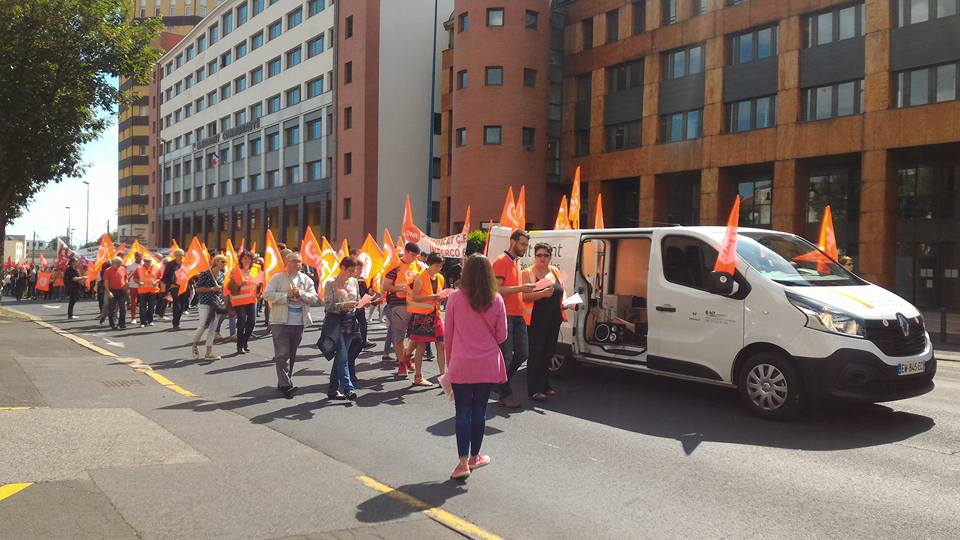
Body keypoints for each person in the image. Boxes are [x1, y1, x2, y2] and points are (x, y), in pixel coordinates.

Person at [443, 254, 508, 480]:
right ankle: (475, 456)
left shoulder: (454, 298)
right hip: (487, 362)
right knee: (480, 410)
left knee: (462, 410)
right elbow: (502, 335)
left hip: (461, 361)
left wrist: (451, 362)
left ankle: (462, 463)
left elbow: (448, 335)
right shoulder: (497, 299)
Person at [492, 229, 536, 408]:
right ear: (513, 242)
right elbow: (496, 290)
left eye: (526, 245)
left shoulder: (516, 262)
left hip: (518, 315)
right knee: (507, 356)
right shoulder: (501, 262)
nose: (525, 248)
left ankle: (500, 384)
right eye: (523, 244)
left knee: (523, 353)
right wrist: (520, 289)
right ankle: (505, 392)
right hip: (505, 314)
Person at [265, 252, 318, 399]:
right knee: (282, 353)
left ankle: (283, 381)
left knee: (292, 354)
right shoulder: (277, 278)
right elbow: (267, 295)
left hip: (298, 322)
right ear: (286, 263)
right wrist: (285, 296)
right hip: (280, 322)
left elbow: (314, 297)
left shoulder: (306, 279)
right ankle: (286, 385)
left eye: (300, 261)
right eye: (294, 261)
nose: (298, 264)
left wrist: (301, 294)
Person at [521, 243, 568, 401]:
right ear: (535, 256)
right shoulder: (528, 273)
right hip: (536, 320)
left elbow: (562, 290)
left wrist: (566, 302)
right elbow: (524, 297)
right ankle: (534, 389)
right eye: (539, 255)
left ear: (550, 257)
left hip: (554, 317)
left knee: (548, 352)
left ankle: (545, 384)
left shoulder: (554, 270)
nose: (542, 258)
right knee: (536, 353)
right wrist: (541, 294)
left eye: (545, 255)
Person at [320, 257, 361, 400]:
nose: (353, 273)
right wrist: (342, 306)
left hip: (350, 321)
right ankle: (348, 388)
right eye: (350, 270)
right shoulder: (331, 283)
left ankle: (332, 389)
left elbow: (358, 299)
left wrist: (362, 303)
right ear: (342, 267)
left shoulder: (354, 282)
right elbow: (327, 305)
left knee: (340, 357)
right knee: (343, 356)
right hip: (335, 322)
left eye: (354, 270)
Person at [382, 242, 424, 377]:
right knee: (399, 334)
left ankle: (406, 356)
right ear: (406, 252)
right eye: (412, 254)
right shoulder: (394, 266)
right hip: (399, 304)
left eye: (416, 255)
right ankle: (401, 364)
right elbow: (386, 286)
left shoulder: (418, 266)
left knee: (420, 334)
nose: (414, 258)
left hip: (416, 304)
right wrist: (402, 289)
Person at [406, 252, 448, 386]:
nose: (439, 268)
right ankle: (418, 377)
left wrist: (443, 296)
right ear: (429, 264)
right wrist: (432, 297)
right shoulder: (420, 277)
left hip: (435, 314)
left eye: (441, 266)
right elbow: (415, 297)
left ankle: (443, 376)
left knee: (441, 345)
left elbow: (439, 294)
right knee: (421, 346)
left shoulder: (440, 277)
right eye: (437, 265)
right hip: (422, 314)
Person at [191, 254, 227, 361]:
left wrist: (222, 292)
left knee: (212, 328)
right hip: (205, 303)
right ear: (216, 262)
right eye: (222, 261)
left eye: (225, 262)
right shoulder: (205, 274)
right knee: (203, 325)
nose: (225, 264)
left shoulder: (222, 275)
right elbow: (197, 290)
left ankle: (208, 352)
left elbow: (222, 289)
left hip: (216, 304)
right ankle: (194, 344)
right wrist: (212, 289)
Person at [229, 251, 258, 354]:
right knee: (241, 322)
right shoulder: (236, 270)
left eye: (249, 258)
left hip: (252, 299)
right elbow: (230, 286)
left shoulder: (255, 270)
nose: (247, 260)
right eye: (245, 258)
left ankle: (245, 342)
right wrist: (240, 284)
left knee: (252, 322)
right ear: (240, 260)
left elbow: (258, 283)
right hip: (239, 300)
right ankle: (239, 345)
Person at [161, 249, 188, 330]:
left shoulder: (186, 264)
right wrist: (170, 284)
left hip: (184, 287)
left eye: (182, 255)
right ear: (175, 256)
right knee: (177, 305)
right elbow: (165, 277)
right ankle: (175, 324)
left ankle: (177, 320)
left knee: (183, 306)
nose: (181, 257)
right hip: (175, 288)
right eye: (179, 255)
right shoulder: (171, 264)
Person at [103, 257, 129, 330]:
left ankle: (122, 324)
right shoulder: (107, 271)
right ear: (114, 263)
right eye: (119, 263)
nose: (120, 264)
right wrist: (108, 292)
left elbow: (126, 278)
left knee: (123, 308)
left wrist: (126, 284)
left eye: (120, 263)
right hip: (112, 291)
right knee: (112, 309)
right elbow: (106, 282)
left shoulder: (123, 269)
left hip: (121, 291)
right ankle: (113, 324)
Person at [136, 258, 160, 327]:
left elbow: (159, 277)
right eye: (145, 261)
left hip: (152, 290)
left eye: (148, 261)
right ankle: (143, 322)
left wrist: (156, 281)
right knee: (142, 307)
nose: (146, 262)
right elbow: (135, 278)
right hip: (143, 290)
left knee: (151, 306)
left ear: (151, 261)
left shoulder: (156, 268)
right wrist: (138, 282)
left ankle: (150, 321)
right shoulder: (139, 268)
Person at [126, 252, 142, 325]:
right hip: (133, 286)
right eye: (137, 256)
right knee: (134, 302)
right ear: (135, 257)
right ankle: (133, 318)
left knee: (143, 303)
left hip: (143, 286)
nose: (138, 257)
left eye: (140, 256)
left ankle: (143, 318)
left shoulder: (145, 265)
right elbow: (127, 277)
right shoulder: (130, 266)